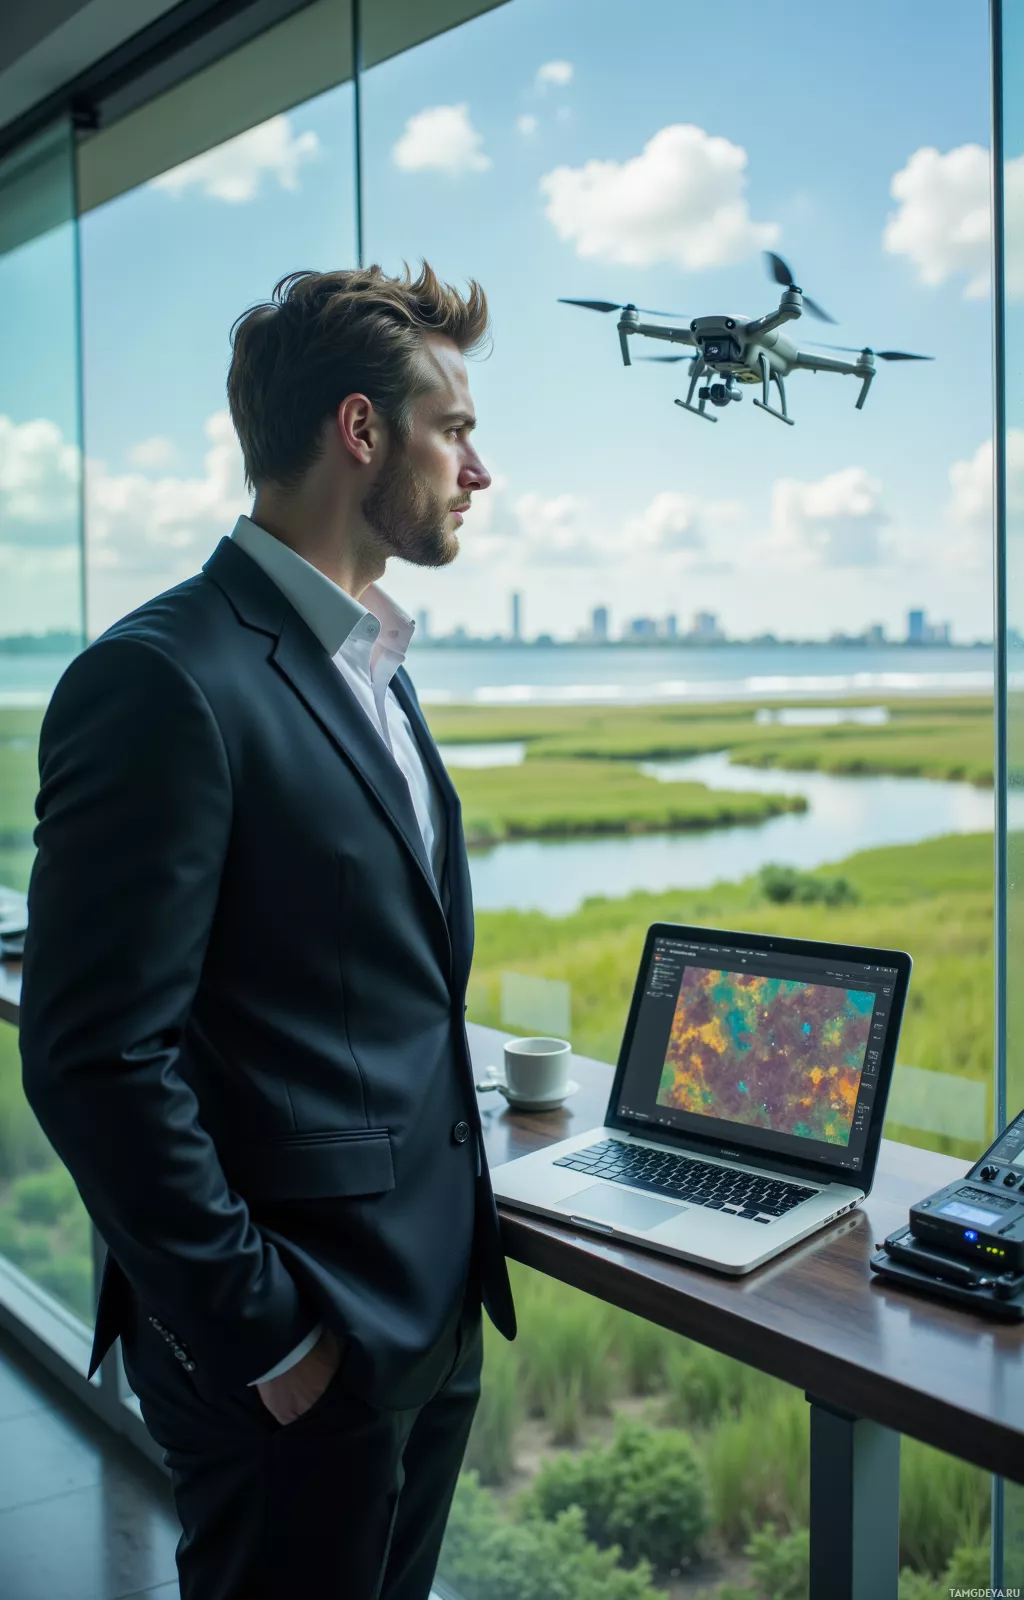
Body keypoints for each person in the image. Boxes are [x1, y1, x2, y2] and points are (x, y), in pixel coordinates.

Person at [18, 261, 517, 1599]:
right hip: (300, 1347)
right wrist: (269, 1336)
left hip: (422, 1314)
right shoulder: (163, 676)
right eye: (455, 430)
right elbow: (94, 1057)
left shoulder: (374, 668)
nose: (480, 473)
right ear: (361, 433)